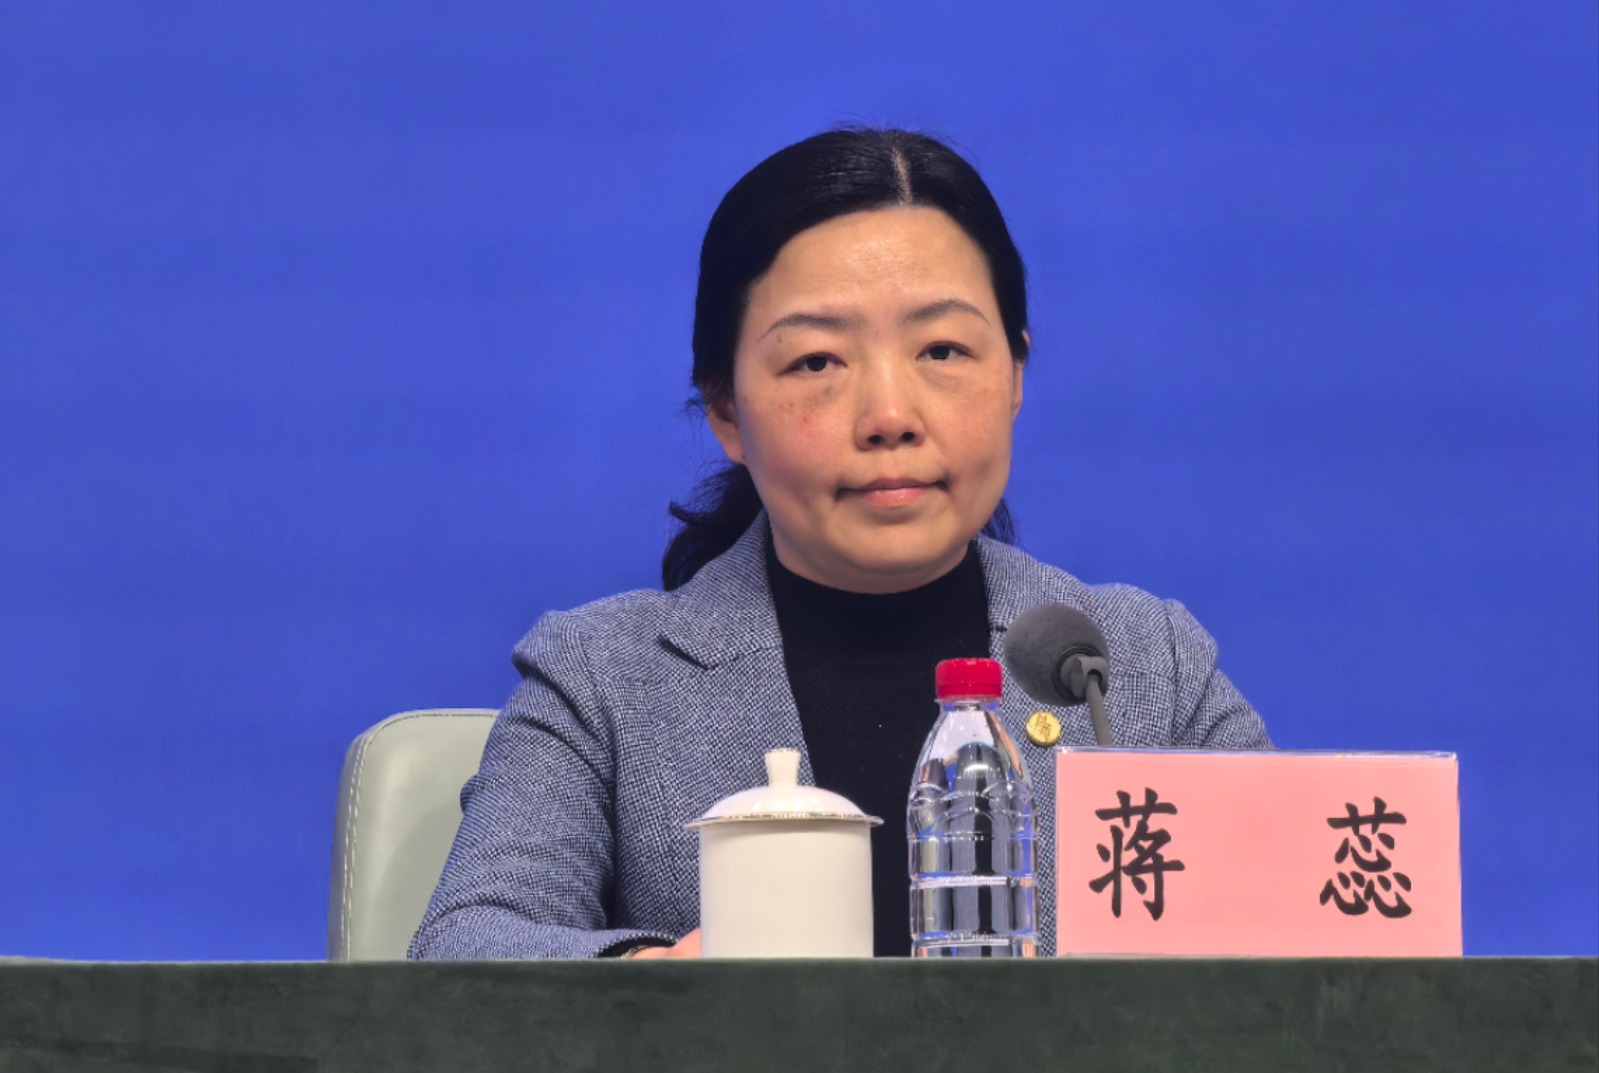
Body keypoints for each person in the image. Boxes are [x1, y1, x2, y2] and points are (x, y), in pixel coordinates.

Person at [409, 128, 1271, 961]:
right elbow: (467, 943)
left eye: (942, 349)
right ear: (725, 408)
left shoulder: (1143, 665)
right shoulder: (603, 680)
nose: (889, 415)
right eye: (818, 362)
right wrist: (662, 982)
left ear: (1014, 374)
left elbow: (1300, 917)